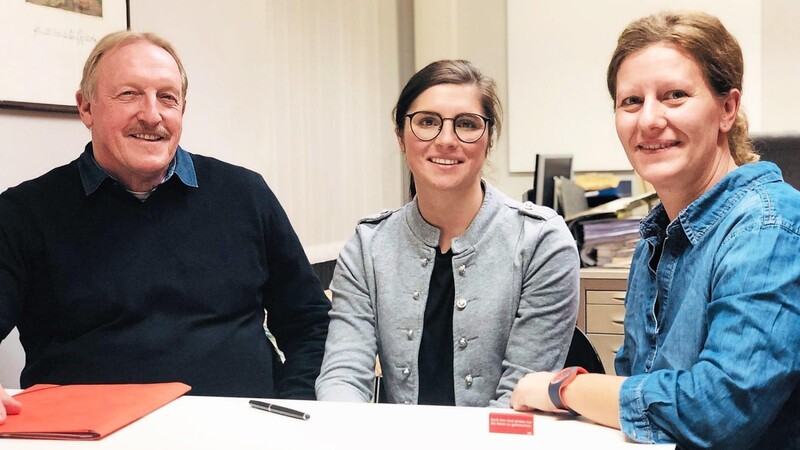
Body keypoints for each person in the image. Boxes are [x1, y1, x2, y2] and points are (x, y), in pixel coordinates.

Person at [0, 30, 331, 423]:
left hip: (242, 431)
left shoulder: (245, 194)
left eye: (167, 98)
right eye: (129, 94)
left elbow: (310, 325)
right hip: (88, 437)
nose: (152, 114)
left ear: (182, 110)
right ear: (85, 107)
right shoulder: (23, 213)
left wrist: (292, 408)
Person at [510, 11, 799, 449]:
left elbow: (717, 410)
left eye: (674, 96)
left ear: (727, 109)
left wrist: (563, 387)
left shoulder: (767, 225)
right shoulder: (657, 235)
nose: (648, 120)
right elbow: (639, 389)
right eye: (631, 102)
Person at [315, 60, 580, 407]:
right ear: (400, 136)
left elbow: (519, 399)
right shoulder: (368, 246)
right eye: (427, 122)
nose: (446, 140)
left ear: (487, 140)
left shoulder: (540, 242)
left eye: (467, 124)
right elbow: (343, 374)